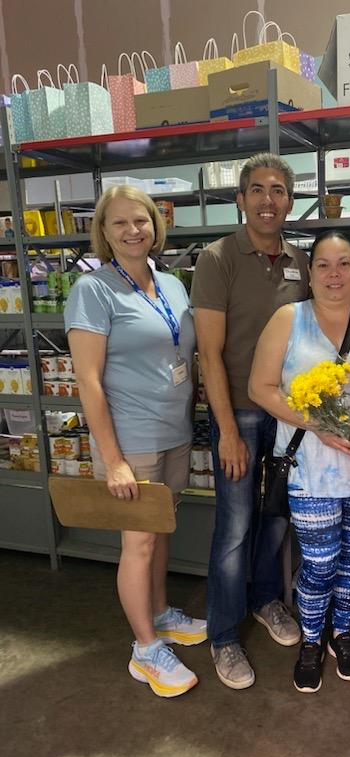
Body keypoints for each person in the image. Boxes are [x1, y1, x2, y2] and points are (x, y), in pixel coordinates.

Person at [249, 230, 350, 692]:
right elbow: (260, 388)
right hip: (310, 470)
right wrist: (315, 423)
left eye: (344, 264)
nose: (334, 274)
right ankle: (312, 638)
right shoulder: (288, 319)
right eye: (323, 264)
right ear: (310, 272)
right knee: (320, 562)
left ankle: (343, 633)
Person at [65, 185, 205, 698]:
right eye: (120, 223)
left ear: (155, 225)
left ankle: (161, 614)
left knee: (161, 529)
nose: (133, 231)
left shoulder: (171, 284)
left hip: (174, 433)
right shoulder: (94, 290)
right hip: (131, 440)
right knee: (138, 543)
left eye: (141, 220)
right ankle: (144, 650)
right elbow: (89, 381)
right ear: (103, 232)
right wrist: (114, 459)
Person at [191, 153, 310, 690]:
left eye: (279, 190)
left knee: (278, 515)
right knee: (235, 526)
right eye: (258, 190)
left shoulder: (301, 261)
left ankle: (265, 600)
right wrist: (229, 432)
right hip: (237, 410)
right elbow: (209, 355)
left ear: (289, 200)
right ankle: (223, 635)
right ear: (240, 200)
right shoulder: (218, 259)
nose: (269, 200)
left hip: (287, 414)